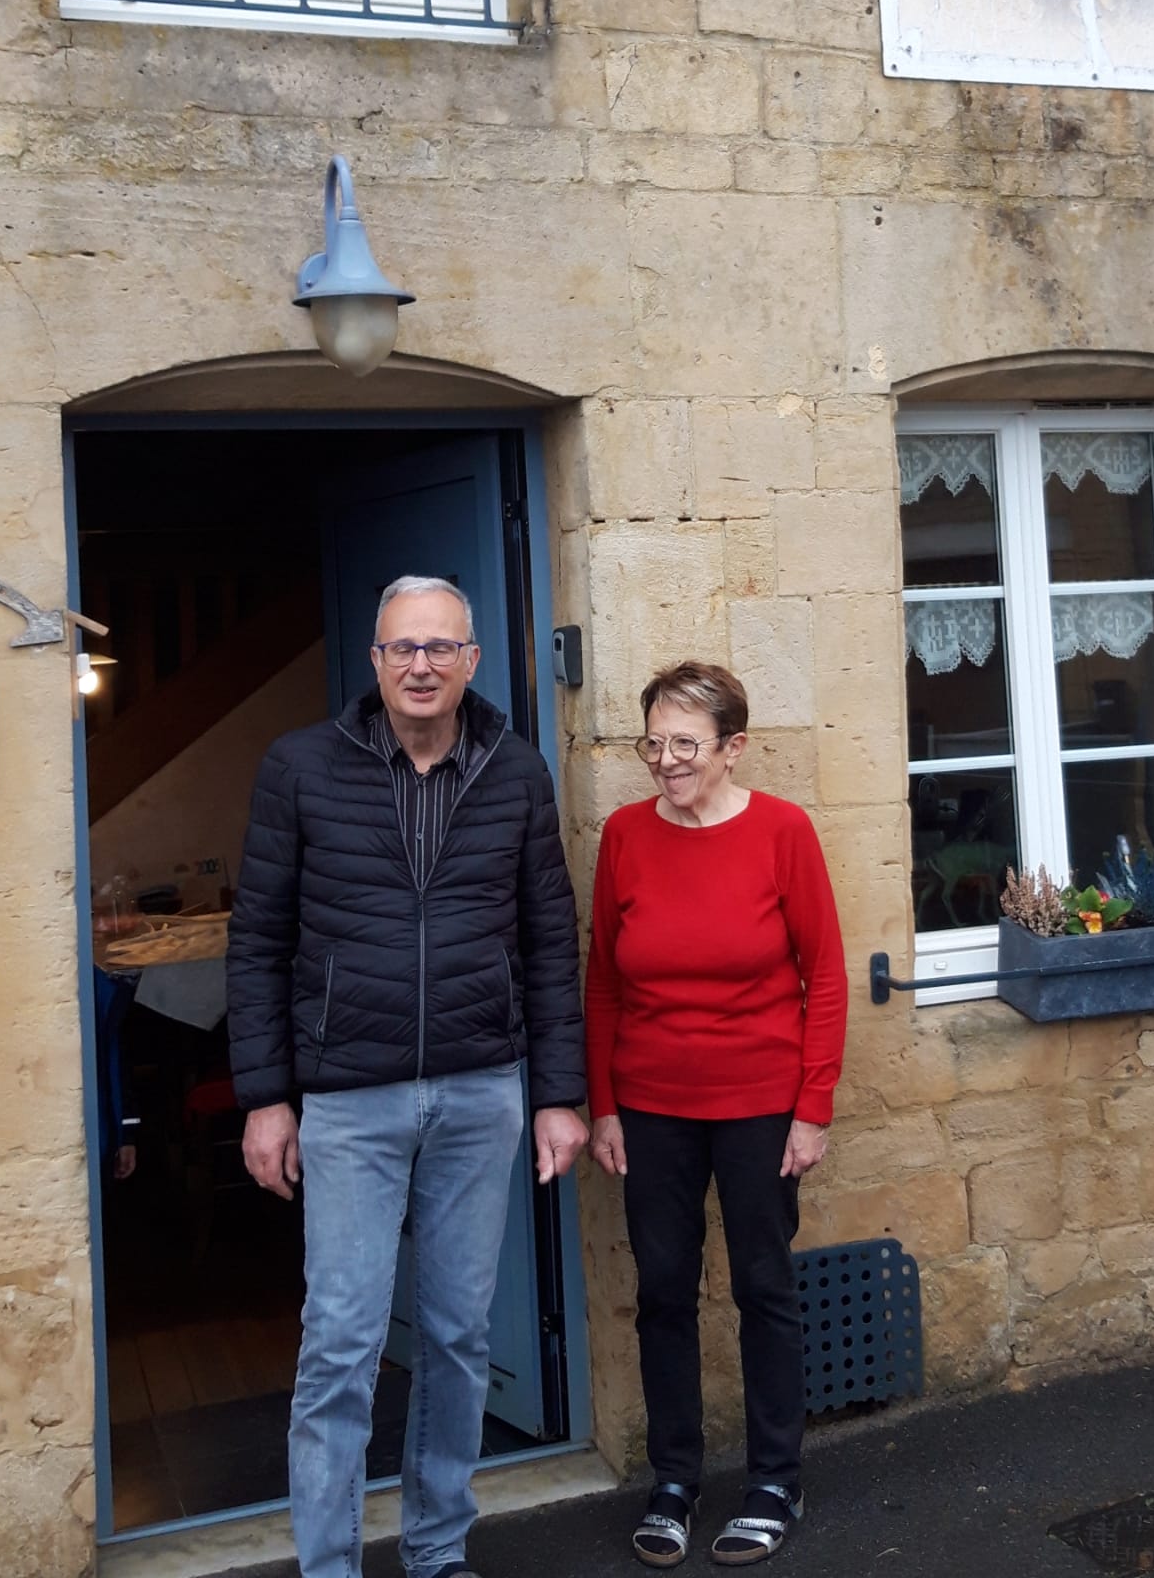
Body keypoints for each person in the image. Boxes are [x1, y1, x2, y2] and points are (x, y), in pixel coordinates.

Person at [227, 575, 587, 1578]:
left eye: (440, 646)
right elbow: (255, 941)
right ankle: (331, 1563)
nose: (421, 664)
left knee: (459, 1334)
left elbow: (550, 940)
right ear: (375, 661)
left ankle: (436, 1548)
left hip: (481, 1091)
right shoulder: (300, 766)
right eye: (401, 648)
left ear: (472, 658)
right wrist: (265, 1095)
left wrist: (559, 1092)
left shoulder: (516, 771)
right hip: (349, 1096)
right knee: (340, 1341)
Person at [585, 662, 847, 1568]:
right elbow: (605, 984)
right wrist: (605, 1103)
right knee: (662, 1294)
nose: (666, 762)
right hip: (651, 1106)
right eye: (653, 744)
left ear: (735, 747)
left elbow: (827, 978)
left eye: (685, 745)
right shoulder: (623, 836)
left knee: (764, 1290)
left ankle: (776, 1479)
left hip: (759, 1107)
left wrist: (811, 1108)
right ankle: (674, 1480)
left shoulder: (783, 832)